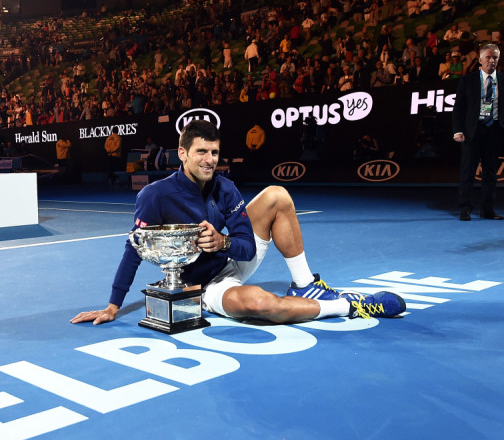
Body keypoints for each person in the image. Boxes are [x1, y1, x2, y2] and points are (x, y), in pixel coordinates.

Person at [71, 121, 405, 326]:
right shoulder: (155, 196)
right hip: (204, 287)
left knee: (276, 195)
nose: (209, 160)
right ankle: (348, 306)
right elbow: (134, 250)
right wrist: (114, 304)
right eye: (201, 152)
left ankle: (304, 283)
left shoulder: (225, 187)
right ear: (182, 153)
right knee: (262, 304)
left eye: (214, 153)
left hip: (231, 260)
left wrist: (223, 242)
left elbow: (245, 247)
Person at [452, 43, 504, 221]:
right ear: (480, 60)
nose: (492, 60)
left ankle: (487, 210)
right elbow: (459, 109)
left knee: (490, 174)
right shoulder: (467, 80)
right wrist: (458, 131)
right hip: (472, 132)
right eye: (488, 57)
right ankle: (465, 208)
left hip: (495, 131)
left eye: (495, 57)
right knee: (468, 172)